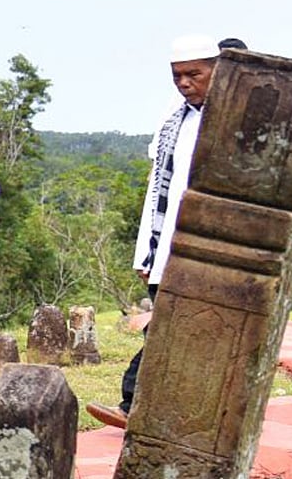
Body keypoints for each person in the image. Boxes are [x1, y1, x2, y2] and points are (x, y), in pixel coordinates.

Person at [86, 35, 234, 428]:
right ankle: (144, 406)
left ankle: (141, 403)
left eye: (194, 74)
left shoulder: (235, 119)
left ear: (219, 72)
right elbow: (158, 191)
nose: (185, 83)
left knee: (184, 333)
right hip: (168, 243)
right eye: (178, 76)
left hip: (214, 247)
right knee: (170, 329)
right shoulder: (176, 120)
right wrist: (146, 253)